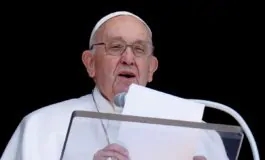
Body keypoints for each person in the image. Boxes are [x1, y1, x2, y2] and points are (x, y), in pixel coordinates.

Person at [0, 11, 229, 160]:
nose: (128, 59)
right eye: (116, 47)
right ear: (90, 63)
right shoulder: (41, 126)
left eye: (139, 50)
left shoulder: (197, 132)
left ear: (151, 68)